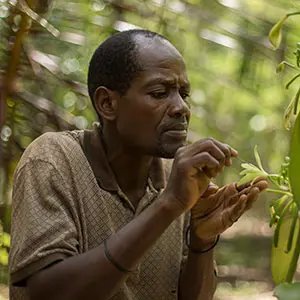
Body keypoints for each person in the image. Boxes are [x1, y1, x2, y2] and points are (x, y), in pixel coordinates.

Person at [9, 29, 268, 300]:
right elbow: (47, 294)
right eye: (159, 93)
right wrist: (168, 205)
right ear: (107, 103)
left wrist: (201, 241)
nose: (181, 107)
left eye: (183, 94)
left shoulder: (177, 180)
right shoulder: (52, 160)